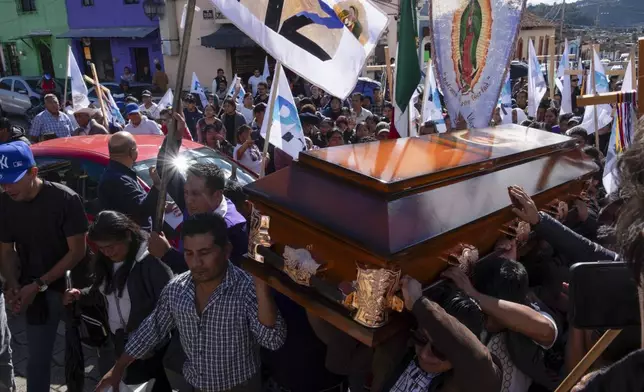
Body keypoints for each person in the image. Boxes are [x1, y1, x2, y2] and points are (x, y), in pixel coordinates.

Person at [96, 213, 286, 392]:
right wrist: (118, 368)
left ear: (226, 250)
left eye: (204, 253)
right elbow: (151, 329)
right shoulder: (176, 289)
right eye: (189, 253)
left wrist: (261, 285)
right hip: (193, 384)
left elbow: (273, 340)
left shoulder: (246, 289)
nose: (196, 263)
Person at [0, 141, 88, 392]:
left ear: (33, 173)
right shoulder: (5, 203)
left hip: (72, 291)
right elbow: (5, 250)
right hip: (33, 292)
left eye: (12, 180)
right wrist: (14, 285)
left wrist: (39, 284)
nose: (6, 187)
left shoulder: (65, 199)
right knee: (37, 361)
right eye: (1, 181)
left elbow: (77, 252)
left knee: (77, 355)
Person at [63, 211, 173, 391]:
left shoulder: (151, 262)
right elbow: (102, 291)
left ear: (128, 235)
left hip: (149, 349)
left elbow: (168, 308)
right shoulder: (105, 262)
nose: (107, 252)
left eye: (111, 246)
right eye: (102, 248)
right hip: (118, 342)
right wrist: (80, 294)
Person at [147, 122, 248, 271]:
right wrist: (174, 138)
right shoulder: (196, 205)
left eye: (195, 194)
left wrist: (167, 254)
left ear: (217, 195)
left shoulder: (233, 228)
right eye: (186, 192)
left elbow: (208, 276)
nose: (188, 200)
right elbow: (165, 170)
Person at [380, 277, 502, 392]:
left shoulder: (469, 384)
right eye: (421, 339)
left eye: (440, 351)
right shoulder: (397, 349)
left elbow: (478, 359)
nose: (424, 354)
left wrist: (420, 304)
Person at [98, 131, 159, 232]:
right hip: (134, 241)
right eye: (136, 148)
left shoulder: (118, 173)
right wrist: (157, 185)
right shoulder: (118, 180)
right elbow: (142, 210)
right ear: (131, 151)